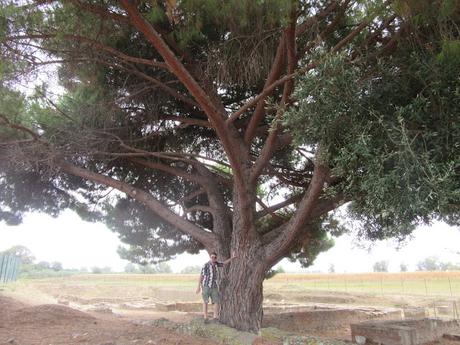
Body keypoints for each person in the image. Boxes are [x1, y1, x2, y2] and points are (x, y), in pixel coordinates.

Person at [196, 251, 236, 322]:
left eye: (214, 257)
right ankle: (205, 317)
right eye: (212, 257)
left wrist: (232, 258)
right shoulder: (206, 265)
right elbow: (201, 276)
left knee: (216, 301)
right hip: (206, 286)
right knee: (205, 301)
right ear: (210, 257)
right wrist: (198, 286)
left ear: (216, 258)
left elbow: (224, 263)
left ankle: (215, 317)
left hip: (214, 286)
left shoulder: (217, 264)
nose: (213, 258)